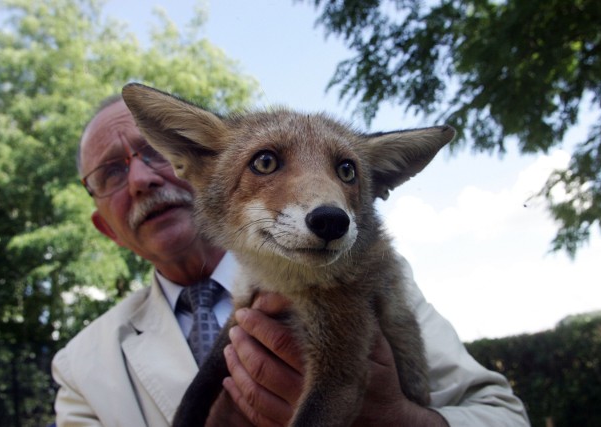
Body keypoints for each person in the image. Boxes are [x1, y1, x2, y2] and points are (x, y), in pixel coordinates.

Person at [51, 95, 530, 427]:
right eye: (111, 171)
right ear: (105, 228)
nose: (141, 179)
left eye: (152, 153)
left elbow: (505, 416)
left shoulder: (382, 280)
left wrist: (397, 422)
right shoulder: (79, 367)